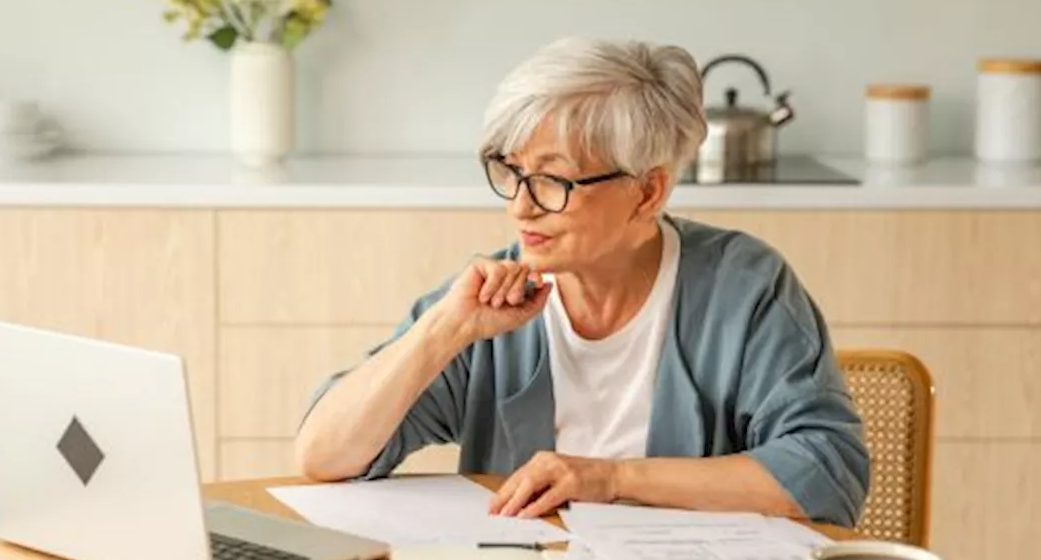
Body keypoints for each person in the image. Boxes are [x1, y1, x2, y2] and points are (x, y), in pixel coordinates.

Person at [294, 37, 869, 527]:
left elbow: (826, 473)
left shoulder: (743, 288)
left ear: (647, 192)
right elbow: (324, 455)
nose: (521, 206)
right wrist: (442, 329)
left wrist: (611, 478)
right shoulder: (492, 302)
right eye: (511, 172)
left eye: (552, 180)